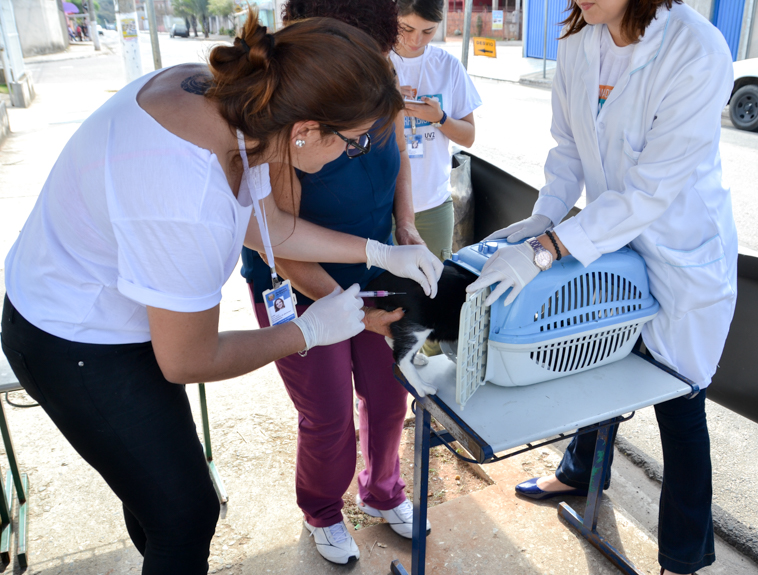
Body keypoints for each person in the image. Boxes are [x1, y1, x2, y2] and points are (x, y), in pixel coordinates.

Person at [1, 12, 443, 574]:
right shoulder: (187, 193)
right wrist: (304, 331)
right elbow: (188, 358)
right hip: (71, 338)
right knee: (185, 517)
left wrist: (379, 252)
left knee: (163, 499)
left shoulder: (242, 108)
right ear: (307, 131)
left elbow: (269, 224)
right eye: (352, 144)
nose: (350, 156)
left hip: (120, 315)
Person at [467, 1, 737, 574]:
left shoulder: (696, 49)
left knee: (680, 405)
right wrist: (543, 219)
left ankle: (683, 559)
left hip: (679, 256)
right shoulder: (580, 39)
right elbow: (568, 151)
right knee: (596, 363)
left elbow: (650, 191)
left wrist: (550, 249)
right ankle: (578, 473)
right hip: (608, 241)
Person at [237, 0, 429, 565]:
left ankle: (383, 490)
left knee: (391, 391)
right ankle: (322, 508)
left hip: (376, 266)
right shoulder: (280, 117)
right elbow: (282, 243)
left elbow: (401, 162)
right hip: (294, 284)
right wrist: (352, 312)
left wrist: (407, 227)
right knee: (326, 414)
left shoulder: (380, 79)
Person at [391, 0, 482, 261]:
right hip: (384, 206)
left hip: (434, 204)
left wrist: (440, 118)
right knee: (385, 292)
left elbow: (469, 136)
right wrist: (387, 104)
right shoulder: (377, 62)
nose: (416, 40)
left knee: (434, 289)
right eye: (406, 28)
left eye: (428, 31)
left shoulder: (449, 66)